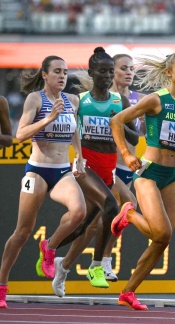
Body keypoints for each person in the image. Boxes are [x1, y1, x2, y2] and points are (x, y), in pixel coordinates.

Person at [110, 51, 175, 310]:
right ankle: (129, 214)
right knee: (162, 231)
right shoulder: (156, 100)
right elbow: (117, 120)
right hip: (149, 171)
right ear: (169, 72)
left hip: (174, 175)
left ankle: (128, 292)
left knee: (163, 239)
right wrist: (125, 154)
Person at [50, 47, 139, 296]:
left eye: (111, 72)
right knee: (114, 206)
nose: (108, 76)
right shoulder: (80, 100)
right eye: (104, 72)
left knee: (82, 226)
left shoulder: (119, 101)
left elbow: (135, 136)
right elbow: (66, 128)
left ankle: (51, 249)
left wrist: (117, 121)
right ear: (92, 73)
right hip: (85, 166)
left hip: (109, 168)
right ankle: (99, 264)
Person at [0, 56, 87, 308]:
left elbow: (74, 131)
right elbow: (20, 134)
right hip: (37, 171)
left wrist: (79, 155)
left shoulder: (72, 101)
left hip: (61, 171)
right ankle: (2, 286)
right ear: (45, 75)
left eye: (65, 72)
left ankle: (49, 248)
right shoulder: (35, 99)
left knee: (79, 212)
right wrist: (48, 118)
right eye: (57, 72)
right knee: (22, 232)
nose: (62, 76)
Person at [97, 53, 144, 282]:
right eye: (123, 68)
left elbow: (138, 137)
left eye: (132, 69)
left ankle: (65, 260)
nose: (129, 72)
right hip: (109, 165)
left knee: (107, 218)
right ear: (110, 71)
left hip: (130, 166)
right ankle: (102, 260)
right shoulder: (102, 98)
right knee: (125, 207)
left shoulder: (139, 100)